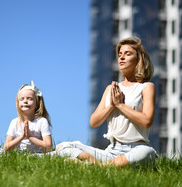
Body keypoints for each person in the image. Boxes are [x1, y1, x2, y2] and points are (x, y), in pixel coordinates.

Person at [56, 37, 158, 166]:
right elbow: (94, 122)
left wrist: (120, 105)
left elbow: (147, 121)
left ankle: (96, 166)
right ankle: (103, 165)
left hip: (136, 149)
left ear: (139, 59)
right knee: (64, 146)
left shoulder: (146, 87)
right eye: (120, 54)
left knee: (146, 153)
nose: (121, 57)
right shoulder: (111, 89)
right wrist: (112, 105)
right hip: (111, 151)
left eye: (128, 54)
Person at [0, 81, 53, 154]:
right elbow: (6, 147)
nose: (25, 101)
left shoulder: (42, 121)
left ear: (36, 104)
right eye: (22, 99)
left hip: (39, 155)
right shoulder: (15, 122)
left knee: (64, 148)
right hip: (20, 154)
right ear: (18, 103)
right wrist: (22, 136)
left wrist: (30, 137)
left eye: (30, 99)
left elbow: (48, 147)